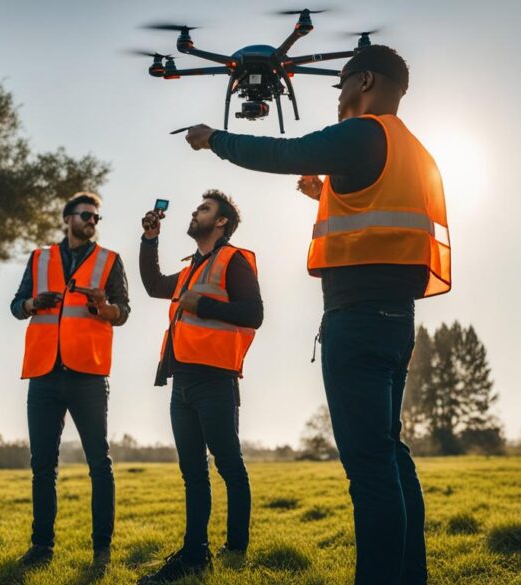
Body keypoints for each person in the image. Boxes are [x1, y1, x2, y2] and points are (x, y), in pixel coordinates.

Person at [183, 46, 450, 585]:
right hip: (397, 320)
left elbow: (287, 152)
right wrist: (324, 194)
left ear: (365, 79)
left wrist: (216, 140)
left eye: (342, 84)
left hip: (356, 321)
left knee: (369, 467)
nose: (339, 96)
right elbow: (379, 216)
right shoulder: (413, 150)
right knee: (390, 455)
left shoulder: (361, 132)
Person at [135, 191, 263, 583]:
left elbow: (255, 314)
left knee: (228, 466)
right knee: (192, 472)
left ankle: (236, 548)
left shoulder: (234, 260)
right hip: (183, 382)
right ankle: (195, 555)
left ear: (221, 222)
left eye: (204, 209)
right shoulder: (191, 267)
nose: (195, 212)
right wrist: (150, 240)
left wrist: (201, 305)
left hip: (216, 381)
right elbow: (155, 284)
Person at [10, 191, 131, 569]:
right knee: (42, 466)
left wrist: (102, 306)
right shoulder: (39, 258)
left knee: (100, 463)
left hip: (89, 374)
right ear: (68, 218)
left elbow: (123, 311)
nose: (92, 221)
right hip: (44, 374)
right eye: (86, 215)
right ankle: (42, 547)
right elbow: (16, 306)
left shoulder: (109, 261)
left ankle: (102, 550)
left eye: (97, 217)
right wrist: (33, 304)